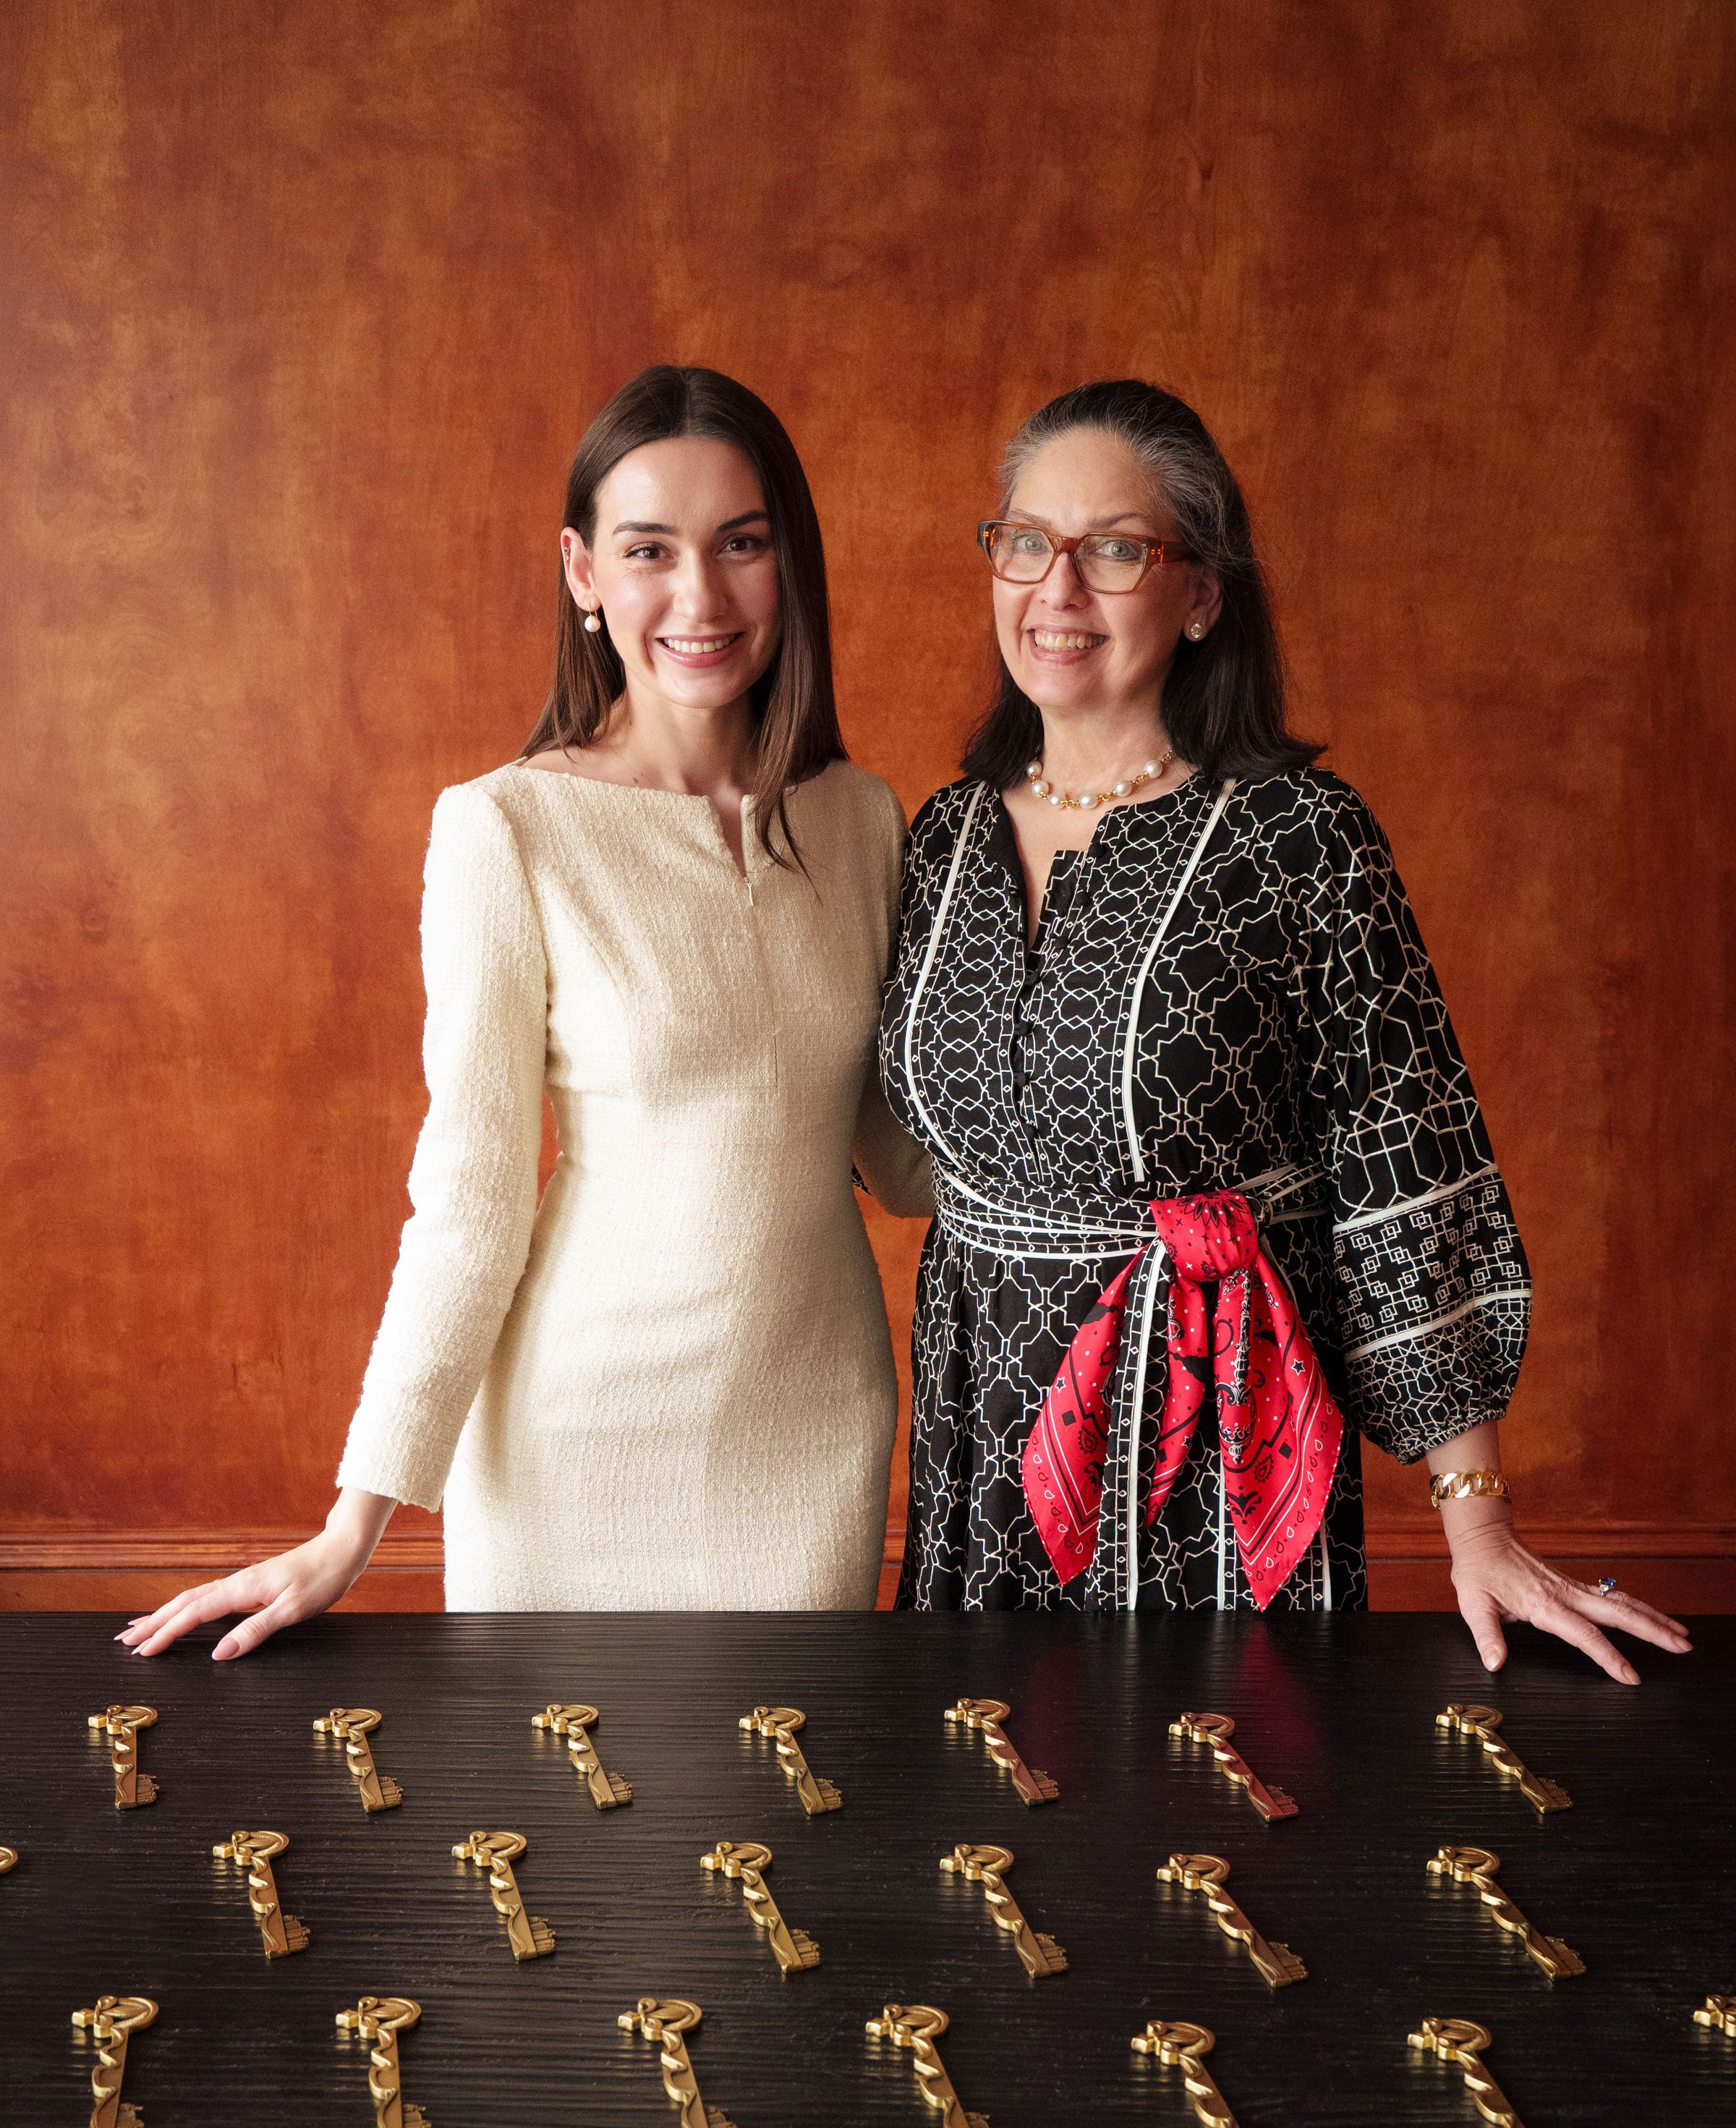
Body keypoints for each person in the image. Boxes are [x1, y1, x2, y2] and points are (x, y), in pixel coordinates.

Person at [879, 378, 1686, 1683]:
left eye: (1118, 550)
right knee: (990, 1824)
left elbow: (1406, 1167)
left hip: (1216, 1447)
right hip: (982, 1443)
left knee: (1209, 1834)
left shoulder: (1301, 840)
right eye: (1027, 542)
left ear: (1201, 596)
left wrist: (1477, 1524)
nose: (1058, 589)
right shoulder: (938, 839)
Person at [124, 365, 929, 1661]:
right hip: (577, 1436)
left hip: (816, 1426)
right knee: (565, 1840)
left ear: (790, 561)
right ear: (583, 573)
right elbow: (472, 1199)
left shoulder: (867, 818)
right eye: (648, 550)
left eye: (742, 544)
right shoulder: (508, 827)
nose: (700, 599)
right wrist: (352, 1527)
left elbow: (905, 1156)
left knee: (791, 1841)